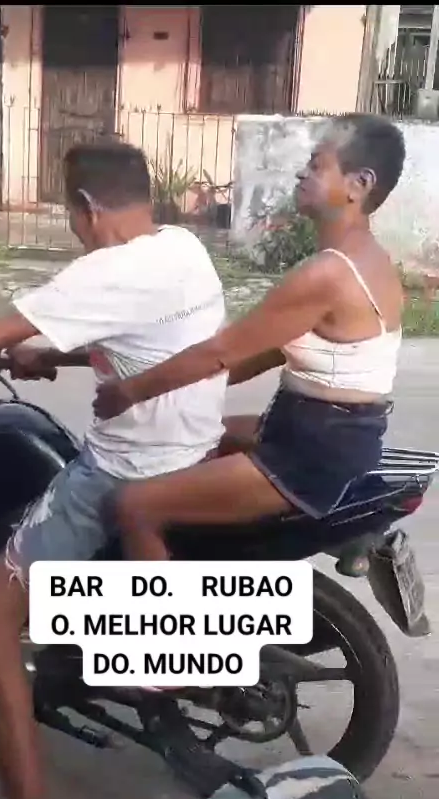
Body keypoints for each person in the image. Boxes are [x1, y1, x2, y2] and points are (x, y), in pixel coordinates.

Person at [0, 140, 228, 799]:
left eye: (70, 214)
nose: (75, 229)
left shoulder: (107, 270)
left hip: (125, 470)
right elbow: (150, 340)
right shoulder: (181, 249)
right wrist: (54, 353)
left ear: (85, 207)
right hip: (187, 450)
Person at [92, 113, 406, 562]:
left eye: (317, 164)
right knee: (199, 440)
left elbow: (220, 352)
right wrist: (159, 379)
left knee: (133, 506)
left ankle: (163, 607)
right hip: (325, 434)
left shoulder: (328, 274)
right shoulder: (367, 258)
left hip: (311, 453)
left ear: (359, 183)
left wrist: (131, 392)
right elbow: (252, 356)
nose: (302, 172)